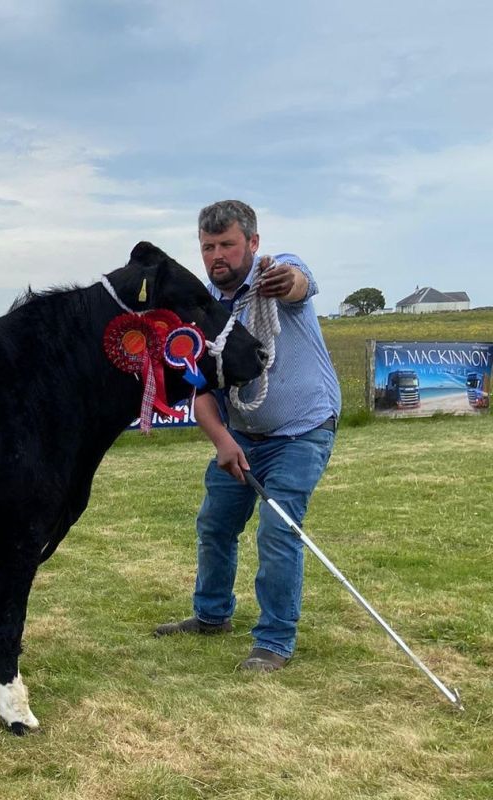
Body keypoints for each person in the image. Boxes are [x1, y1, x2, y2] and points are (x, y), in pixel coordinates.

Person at [154, 200, 341, 672]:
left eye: (228, 245)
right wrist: (222, 440)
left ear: (253, 244)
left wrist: (285, 282)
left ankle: (275, 641)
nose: (218, 255)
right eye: (208, 247)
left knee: (279, 530)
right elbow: (199, 390)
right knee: (215, 526)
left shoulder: (275, 276)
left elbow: (299, 282)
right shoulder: (203, 315)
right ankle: (212, 615)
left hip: (303, 431)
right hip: (241, 437)